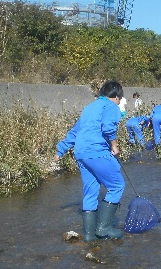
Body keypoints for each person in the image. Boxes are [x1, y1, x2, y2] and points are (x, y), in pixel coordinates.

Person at [53, 80, 126, 242]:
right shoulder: (111, 106)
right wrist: (114, 145)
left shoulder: (89, 108)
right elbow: (108, 127)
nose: (119, 102)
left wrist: (61, 150)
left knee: (91, 191)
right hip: (96, 151)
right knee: (117, 186)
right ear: (115, 96)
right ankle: (104, 227)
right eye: (119, 99)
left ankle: (89, 235)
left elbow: (75, 132)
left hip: (81, 153)